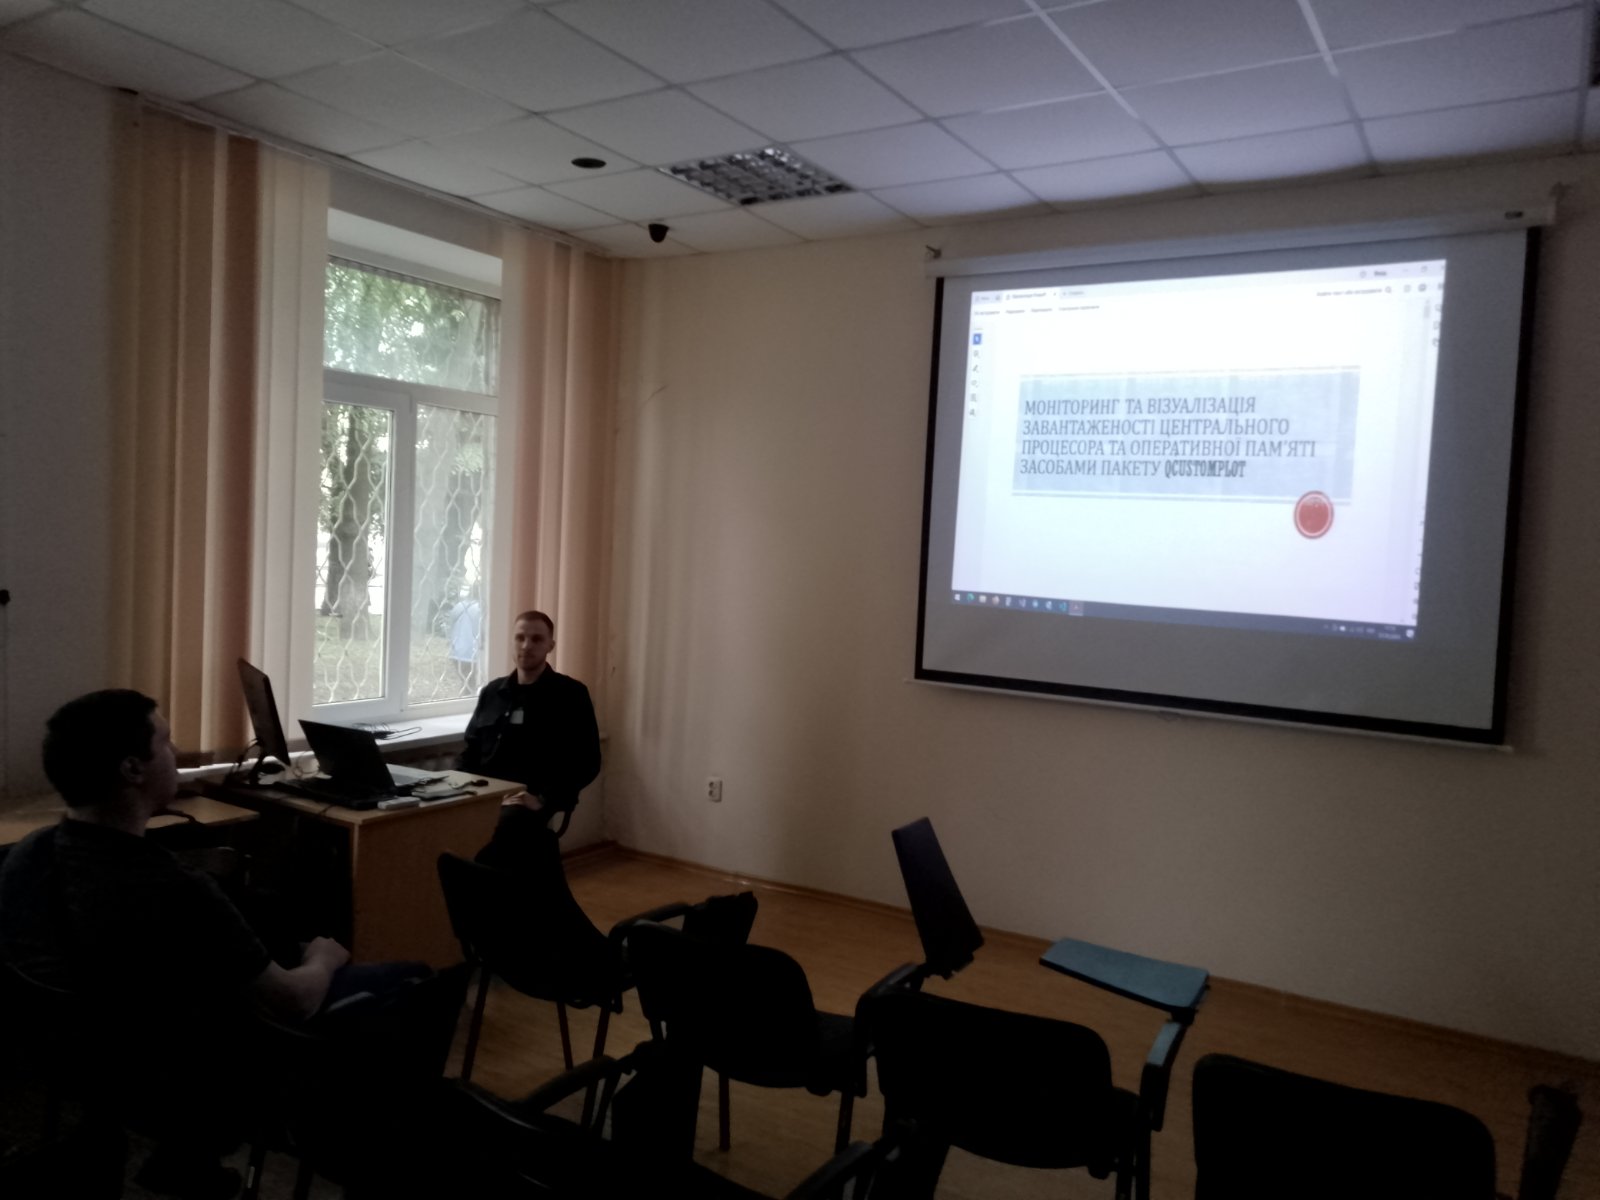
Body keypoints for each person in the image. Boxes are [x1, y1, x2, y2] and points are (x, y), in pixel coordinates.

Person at [0, 690, 424, 1199]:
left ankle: (184, 1158)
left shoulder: (29, 856)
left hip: (85, 1065)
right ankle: (359, 1156)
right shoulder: (177, 891)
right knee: (414, 981)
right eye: (166, 742)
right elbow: (292, 1000)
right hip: (188, 1080)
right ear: (133, 768)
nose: (177, 752)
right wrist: (324, 957)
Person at [458, 609, 600, 836]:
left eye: (536, 639)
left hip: (530, 800)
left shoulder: (570, 694)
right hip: (488, 795)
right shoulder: (492, 692)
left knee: (497, 829)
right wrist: (457, 789)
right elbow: (470, 752)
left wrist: (544, 799)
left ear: (550, 646)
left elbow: (587, 762)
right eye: (520, 638)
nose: (526, 646)